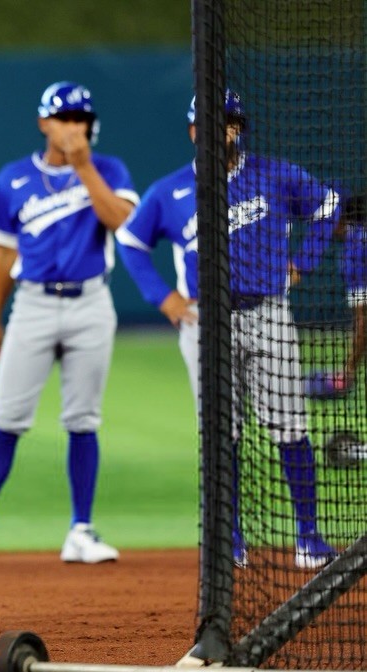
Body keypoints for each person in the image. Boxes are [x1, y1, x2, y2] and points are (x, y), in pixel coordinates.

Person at [116, 91, 340, 569]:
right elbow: (130, 241)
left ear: (238, 129)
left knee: (291, 426)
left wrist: (303, 262)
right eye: (206, 124)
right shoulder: (170, 191)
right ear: (192, 131)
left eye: (227, 122)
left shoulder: (275, 175)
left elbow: (328, 207)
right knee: (223, 432)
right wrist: (164, 298)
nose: (217, 131)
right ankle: (231, 538)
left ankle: (307, 536)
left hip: (269, 314)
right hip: (206, 321)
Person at [0, 81, 138, 564]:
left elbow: (123, 224)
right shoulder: (14, 177)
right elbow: (2, 252)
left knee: (83, 419)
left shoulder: (108, 169)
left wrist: (84, 165)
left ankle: (81, 531)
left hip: (90, 302)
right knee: (6, 416)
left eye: (81, 119)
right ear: (44, 122)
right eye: (64, 118)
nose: (73, 127)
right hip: (33, 304)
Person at [304, 192, 367, 398]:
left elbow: (362, 323)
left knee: (362, 324)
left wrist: (348, 371)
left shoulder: (357, 245)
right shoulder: (354, 236)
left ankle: (347, 375)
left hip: (360, 287)